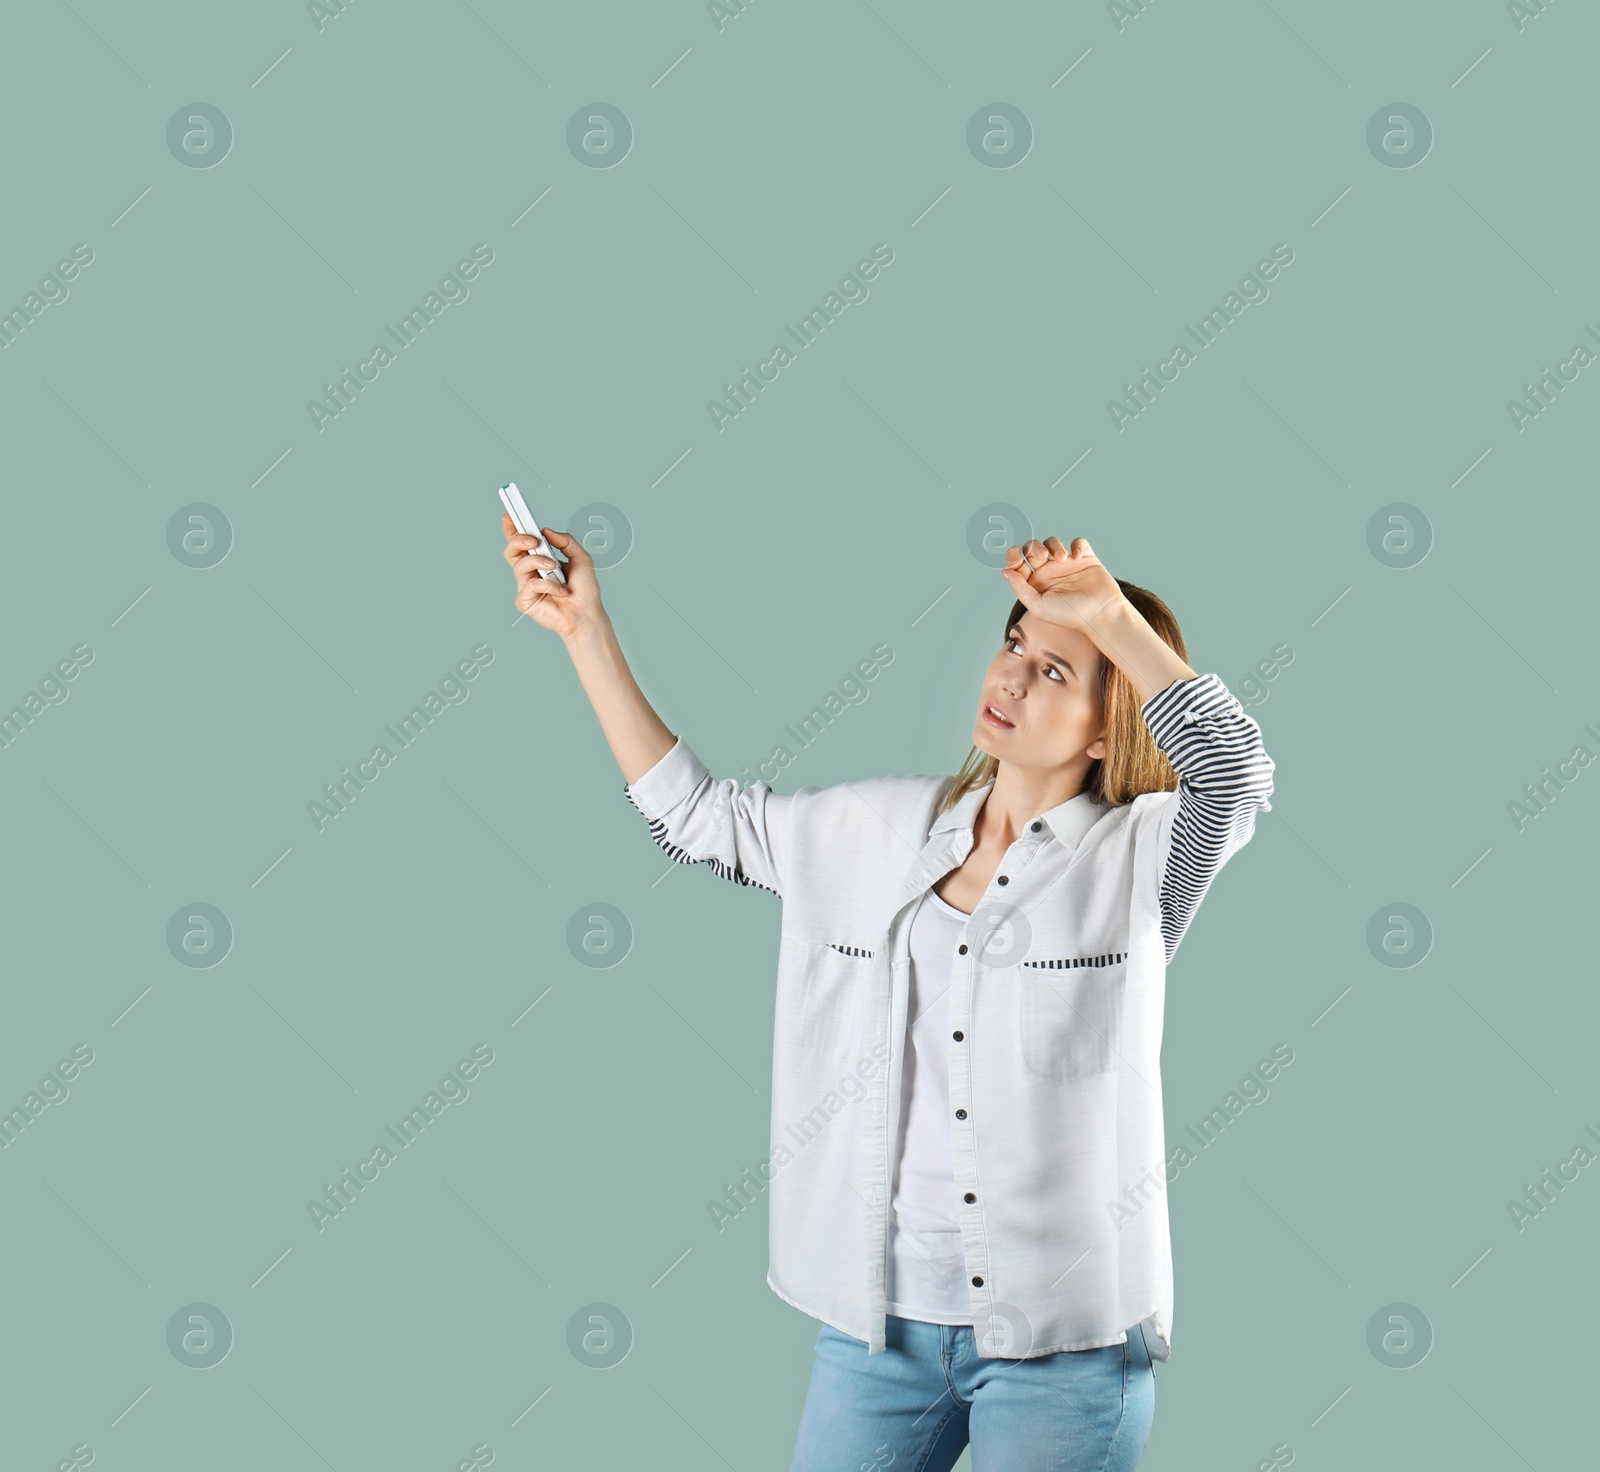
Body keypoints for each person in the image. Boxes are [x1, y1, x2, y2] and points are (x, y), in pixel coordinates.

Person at [500, 520, 1275, 1471]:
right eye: (1015, 647)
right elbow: (697, 820)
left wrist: (1110, 615)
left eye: (1057, 674)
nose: (1011, 679)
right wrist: (586, 630)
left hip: (1063, 1353)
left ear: (1113, 729)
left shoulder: (1140, 862)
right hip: (881, 1332)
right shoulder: (879, 827)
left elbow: (1234, 771)